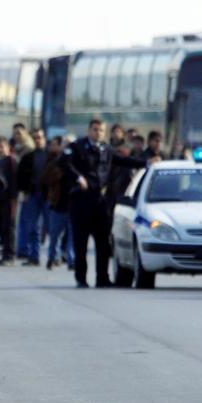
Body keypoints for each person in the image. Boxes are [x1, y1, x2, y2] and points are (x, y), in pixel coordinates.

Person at [62, 119, 147, 288]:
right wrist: (78, 178)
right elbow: (63, 162)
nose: (98, 133)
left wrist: (145, 163)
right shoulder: (77, 147)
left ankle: (102, 278)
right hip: (81, 202)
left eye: (101, 130)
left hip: (101, 203)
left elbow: (123, 160)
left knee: (103, 243)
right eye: (95, 129)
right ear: (89, 130)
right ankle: (81, 278)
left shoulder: (106, 149)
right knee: (81, 243)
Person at [15, 128, 48, 265]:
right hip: (32, 196)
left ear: (44, 139)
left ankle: (55, 256)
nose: (38, 140)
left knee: (53, 227)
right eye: (35, 138)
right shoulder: (27, 158)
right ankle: (34, 256)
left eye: (40, 137)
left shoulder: (51, 157)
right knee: (33, 227)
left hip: (48, 196)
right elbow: (20, 177)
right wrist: (23, 191)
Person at [42, 136, 74, 270]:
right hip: (58, 204)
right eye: (66, 145)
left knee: (73, 236)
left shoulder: (78, 162)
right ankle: (52, 258)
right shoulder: (56, 162)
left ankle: (72, 260)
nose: (68, 148)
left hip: (74, 205)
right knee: (54, 235)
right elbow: (46, 178)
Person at [0, 136, 18, 266]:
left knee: (9, 228)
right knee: (0, 226)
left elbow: (14, 182)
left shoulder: (11, 161)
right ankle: (5, 253)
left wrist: (14, 201)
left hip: (9, 199)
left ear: (8, 147)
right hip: (0, 198)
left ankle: (10, 255)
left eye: (1, 146)